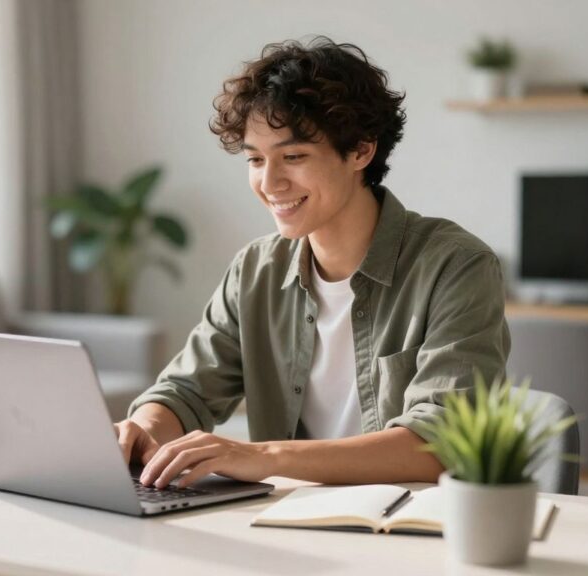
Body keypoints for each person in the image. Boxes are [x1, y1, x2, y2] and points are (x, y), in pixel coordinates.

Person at [115, 37, 510, 490]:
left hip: (406, 521)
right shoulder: (255, 270)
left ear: (361, 150)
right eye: (256, 159)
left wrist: (264, 456)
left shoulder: (456, 266)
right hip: (284, 519)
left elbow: (441, 444)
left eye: (293, 157)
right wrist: (142, 428)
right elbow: (185, 391)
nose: (269, 183)